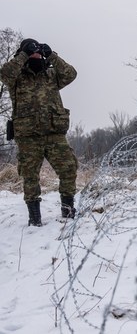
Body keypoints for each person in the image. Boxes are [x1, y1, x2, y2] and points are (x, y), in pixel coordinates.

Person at [0, 38, 79, 227]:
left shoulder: (51, 75)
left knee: (68, 168)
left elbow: (71, 74)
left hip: (54, 133)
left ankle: (67, 211)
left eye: (37, 51)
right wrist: (23, 54)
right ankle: (34, 217)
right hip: (28, 136)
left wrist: (52, 55)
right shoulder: (17, 77)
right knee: (30, 176)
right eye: (31, 51)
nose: (35, 54)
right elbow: (4, 74)